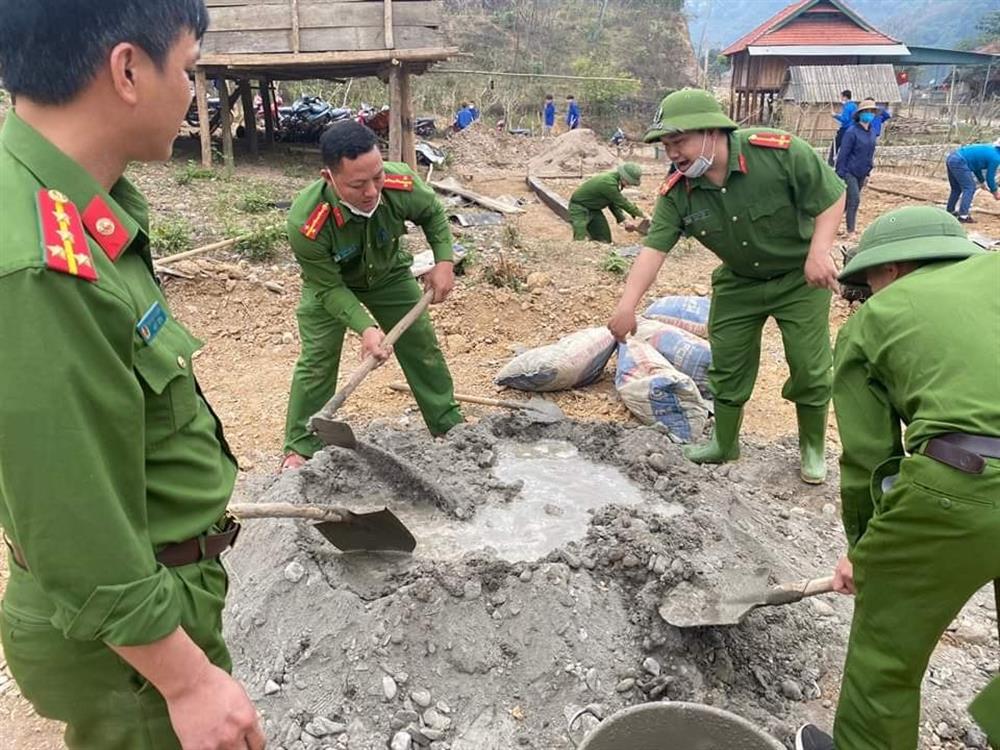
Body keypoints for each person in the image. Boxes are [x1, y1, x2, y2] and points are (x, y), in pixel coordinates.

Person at [0, 2, 265, 749]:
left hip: (146, 614)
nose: (194, 93)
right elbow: (71, 524)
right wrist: (185, 680)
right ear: (126, 70)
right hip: (131, 650)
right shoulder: (38, 266)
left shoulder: (82, 206)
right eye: (188, 69)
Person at [794, 205, 999, 750]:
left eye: (870, 281)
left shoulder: (875, 321)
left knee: (886, 652)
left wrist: (866, 555)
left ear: (893, 268)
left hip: (969, 483)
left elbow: (870, 461)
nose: (868, 294)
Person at [608, 88, 845, 484]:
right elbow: (654, 249)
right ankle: (724, 443)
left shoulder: (778, 153)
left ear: (711, 131)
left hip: (798, 280)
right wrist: (627, 304)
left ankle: (812, 448)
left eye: (679, 142)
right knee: (729, 364)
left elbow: (832, 197)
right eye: (666, 146)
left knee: (809, 365)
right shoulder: (678, 190)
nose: (673, 155)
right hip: (739, 283)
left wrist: (818, 252)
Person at [281, 121, 463, 470]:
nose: (372, 191)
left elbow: (433, 213)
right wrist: (365, 328)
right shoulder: (307, 223)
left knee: (421, 343)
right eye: (357, 184)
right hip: (331, 285)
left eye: (376, 177)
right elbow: (329, 288)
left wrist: (444, 260)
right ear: (329, 178)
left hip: (387, 274)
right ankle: (300, 447)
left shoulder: (399, 184)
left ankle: (448, 425)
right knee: (317, 359)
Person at [835, 98, 879, 239]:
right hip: (850, 171)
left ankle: (833, 223)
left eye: (871, 112)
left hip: (862, 171)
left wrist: (868, 172)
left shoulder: (872, 132)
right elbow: (843, 153)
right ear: (859, 114)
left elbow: (870, 153)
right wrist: (840, 173)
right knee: (855, 199)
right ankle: (850, 231)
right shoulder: (851, 132)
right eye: (866, 112)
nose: (869, 114)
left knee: (848, 202)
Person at [568, 163, 645, 242]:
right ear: (623, 177)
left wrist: (624, 221)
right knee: (580, 238)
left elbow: (613, 203)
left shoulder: (617, 183)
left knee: (604, 238)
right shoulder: (608, 183)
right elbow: (622, 203)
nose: (629, 185)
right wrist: (643, 215)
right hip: (579, 208)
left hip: (594, 209)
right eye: (629, 182)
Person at [945, 138, 1000, 223]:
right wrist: (995, 192)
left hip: (952, 157)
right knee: (970, 188)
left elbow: (976, 167)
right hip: (960, 161)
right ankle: (963, 216)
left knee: (956, 188)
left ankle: (950, 211)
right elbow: (990, 178)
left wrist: (982, 182)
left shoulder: (989, 149)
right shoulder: (996, 158)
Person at [828, 89, 857, 165]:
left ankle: (831, 163)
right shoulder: (854, 106)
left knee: (835, 145)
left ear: (845, 97)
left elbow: (845, 119)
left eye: (841, 96)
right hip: (853, 129)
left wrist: (835, 116)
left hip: (845, 129)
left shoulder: (847, 107)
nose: (840, 98)